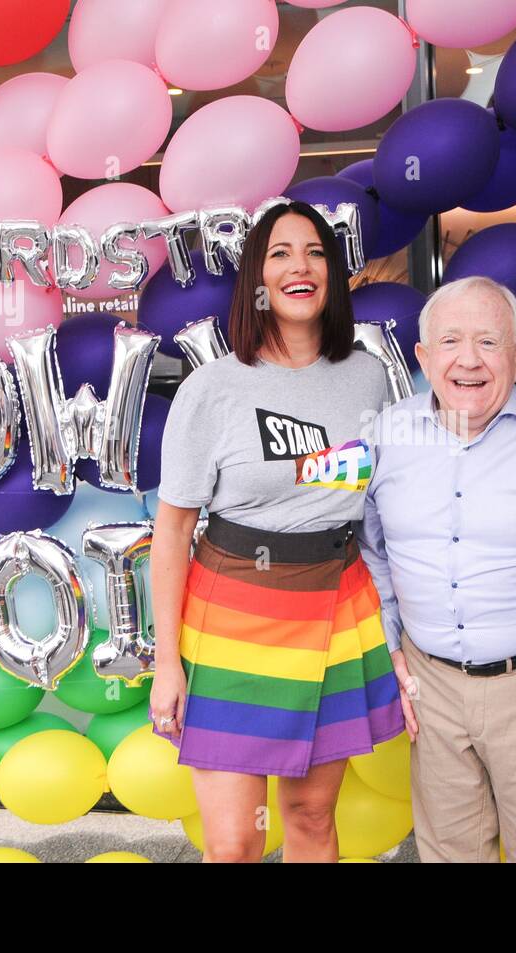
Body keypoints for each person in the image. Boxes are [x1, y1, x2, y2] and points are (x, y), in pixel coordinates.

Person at [149, 200, 404, 863]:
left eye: (316, 252)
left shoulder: (368, 376)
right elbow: (172, 532)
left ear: (334, 273)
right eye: (281, 252)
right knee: (235, 842)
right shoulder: (213, 387)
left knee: (312, 817)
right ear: (258, 279)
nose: (301, 266)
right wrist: (167, 662)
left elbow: (385, 510)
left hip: (336, 607)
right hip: (233, 615)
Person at [358, 275, 516, 863]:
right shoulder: (384, 438)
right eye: (449, 342)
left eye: (488, 344)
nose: (467, 361)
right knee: (448, 853)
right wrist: (390, 644)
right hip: (430, 685)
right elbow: (372, 551)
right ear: (423, 356)